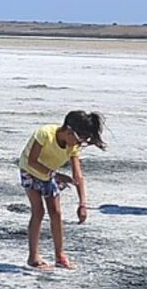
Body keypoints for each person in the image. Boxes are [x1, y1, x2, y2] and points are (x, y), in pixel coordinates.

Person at [17, 110, 106, 269]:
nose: (79, 145)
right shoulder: (45, 133)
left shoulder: (73, 146)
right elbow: (32, 161)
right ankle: (33, 257)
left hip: (49, 174)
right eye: (80, 140)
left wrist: (82, 204)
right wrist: (56, 175)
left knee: (56, 213)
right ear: (69, 131)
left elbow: (78, 176)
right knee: (38, 211)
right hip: (29, 171)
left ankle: (60, 256)